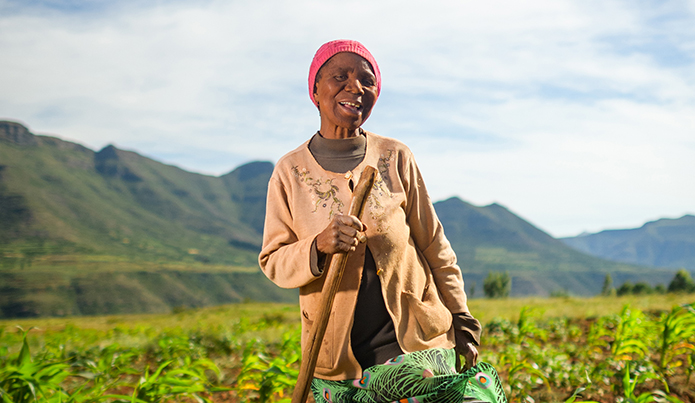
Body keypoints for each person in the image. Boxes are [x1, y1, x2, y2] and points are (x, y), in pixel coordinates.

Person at [260, 40, 506, 403]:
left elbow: (434, 245)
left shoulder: (395, 157)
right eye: (339, 76)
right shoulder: (290, 172)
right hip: (338, 364)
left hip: (418, 345)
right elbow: (273, 260)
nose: (354, 87)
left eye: (366, 80)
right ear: (314, 89)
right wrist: (318, 246)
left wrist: (461, 315)